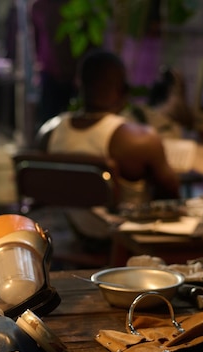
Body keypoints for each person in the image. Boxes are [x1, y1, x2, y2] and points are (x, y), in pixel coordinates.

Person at [45, 49, 181, 205]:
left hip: (58, 227)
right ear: (123, 90)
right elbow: (171, 196)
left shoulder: (48, 132)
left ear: (79, 85)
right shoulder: (141, 140)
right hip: (121, 228)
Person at [31, 0, 79, 128]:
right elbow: (37, 40)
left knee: (72, 122)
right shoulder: (38, 7)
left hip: (71, 73)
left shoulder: (74, 5)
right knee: (48, 122)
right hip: (49, 72)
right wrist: (38, 68)